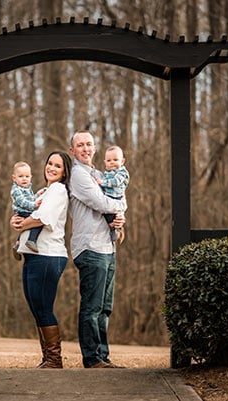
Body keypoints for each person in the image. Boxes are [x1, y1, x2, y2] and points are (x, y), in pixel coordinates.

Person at [68, 130, 127, 369]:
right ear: (73, 151)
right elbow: (102, 203)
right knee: (92, 307)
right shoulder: (77, 176)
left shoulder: (100, 174)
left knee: (105, 308)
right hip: (89, 248)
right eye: (80, 145)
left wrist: (120, 218)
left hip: (107, 247)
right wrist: (121, 206)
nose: (85, 148)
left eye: (89, 144)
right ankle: (91, 358)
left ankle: (103, 357)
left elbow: (116, 195)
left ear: (94, 148)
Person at [10, 151, 73, 369]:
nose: (52, 168)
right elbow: (28, 211)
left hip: (48, 256)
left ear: (64, 171)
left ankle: (54, 359)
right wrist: (15, 219)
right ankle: (47, 358)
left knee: (43, 306)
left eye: (58, 165)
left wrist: (22, 224)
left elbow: (43, 217)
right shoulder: (43, 190)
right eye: (49, 163)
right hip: (33, 255)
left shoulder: (58, 190)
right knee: (36, 306)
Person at [10, 161, 45, 258]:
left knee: (26, 227)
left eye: (27, 176)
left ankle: (17, 244)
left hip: (26, 210)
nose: (24, 179)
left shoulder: (27, 188)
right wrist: (34, 205)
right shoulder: (16, 190)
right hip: (22, 211)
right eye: (20, 176)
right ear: (14, 178)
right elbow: (22, 202)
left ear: (30, 177)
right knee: (37, 223)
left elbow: (31, 199)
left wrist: (38, 194)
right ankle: (31, 240)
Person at [96, 145, 130, 242]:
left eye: (115, 160)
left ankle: (116, 231)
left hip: (116, 198)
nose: (112, 163)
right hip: (109, 197)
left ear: (122, 161)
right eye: (109, 160)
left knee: (114, 219)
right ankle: (113, 228)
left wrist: (102, 182)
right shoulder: (106, 172)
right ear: (105, 162)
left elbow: (116, 182)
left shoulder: (122, 172)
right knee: (108, 217)